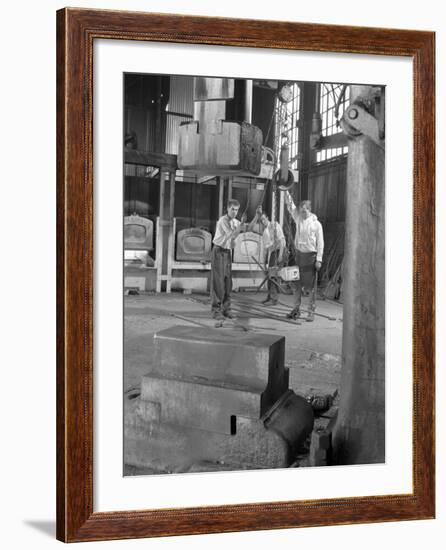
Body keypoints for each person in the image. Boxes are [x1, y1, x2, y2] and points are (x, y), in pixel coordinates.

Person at [284, 192, 324, 321]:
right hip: (299, 256)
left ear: (309, 210)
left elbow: (321, 243)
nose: (302, 213)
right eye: (301, 210)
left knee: (311, 287)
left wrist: (319, 259)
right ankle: (296, 310)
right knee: (297, 285)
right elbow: (290, 206)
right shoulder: (298, 218)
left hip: (311, 257)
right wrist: (285, 190)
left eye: (305, 210)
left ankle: (311, 312)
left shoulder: (316, 224)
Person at [211, 199, 247, 320]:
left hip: (227, 253)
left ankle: (226, 309)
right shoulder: (223, 221)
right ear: (227, 208)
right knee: (218, 282)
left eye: (237, 210)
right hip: (218, 252)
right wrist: (241, 225)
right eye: (232, 209)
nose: (235, 212)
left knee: (227, 283)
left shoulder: (235, 222)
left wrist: (256, 217)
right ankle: (216, 311)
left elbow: (248, 227)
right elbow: (232, 234)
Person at [256, 208, 286, 306]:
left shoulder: (275, 225)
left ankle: (274, 299)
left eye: (264, 219)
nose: (263, 221)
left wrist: (281, 255)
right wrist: (264, 262)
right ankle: (270, 297)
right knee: (269, 276)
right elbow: (266, 249)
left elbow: (281, 241)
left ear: (267, 218)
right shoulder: (265, 232)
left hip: (279, 251)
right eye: (261, 220)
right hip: (272, 253)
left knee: (273, 276)